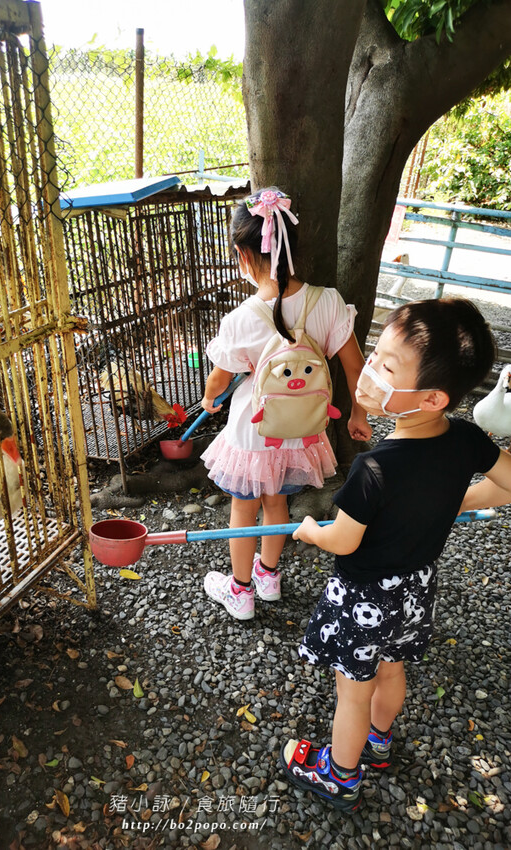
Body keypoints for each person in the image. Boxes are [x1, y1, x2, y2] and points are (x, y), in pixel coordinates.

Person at [279, 297, 511, 813]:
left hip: (362, 594)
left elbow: (344, 540)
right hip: (414, 591)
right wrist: (452, 504)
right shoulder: (468, 440)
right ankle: (378, 746)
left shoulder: (375, 469)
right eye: (375, 352)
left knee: (353, 691)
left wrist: (312, 530)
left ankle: (339, 776)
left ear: (431, 398)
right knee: (391, 669)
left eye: (386, 366)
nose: (368, 372)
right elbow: (509, 485)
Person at [200, 187, 372, 621]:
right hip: (302, 429)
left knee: (244, 506)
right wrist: (357, 414)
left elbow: (220, 379)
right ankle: (269, 577)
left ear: (243, 255)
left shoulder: (240, 318)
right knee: (277, 500)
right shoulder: (328, 302)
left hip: (255, 429)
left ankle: (239, 590)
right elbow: (356, 368)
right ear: (291, 247)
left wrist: (209, 398)